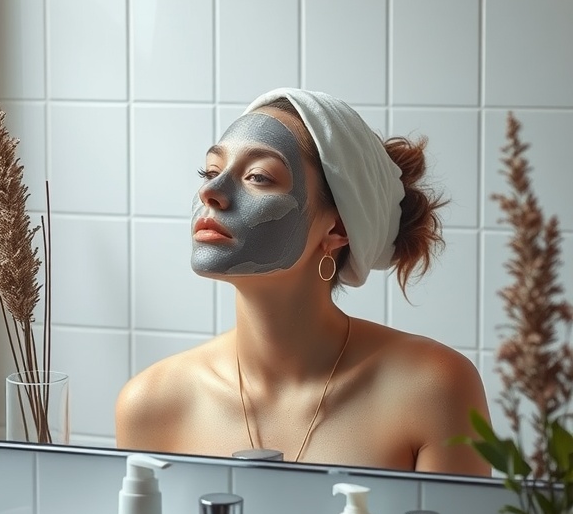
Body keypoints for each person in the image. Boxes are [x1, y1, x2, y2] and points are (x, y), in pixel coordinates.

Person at [116, 88, 490, 475]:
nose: (210, 192)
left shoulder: (434, 389)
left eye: (258, 177)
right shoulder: (151, 403)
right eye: (210, 172)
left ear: (338, 227)